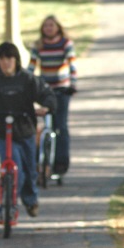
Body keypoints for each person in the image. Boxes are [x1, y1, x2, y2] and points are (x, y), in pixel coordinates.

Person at [0, 42, 56, 217]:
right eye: (1, 59)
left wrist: (45, 107)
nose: (5, 62)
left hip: (26, 130)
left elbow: (48, 95)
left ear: (16, 60)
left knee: (30, 170)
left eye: (9, 58)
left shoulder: (28, 79)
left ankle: (31, 200)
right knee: (13, 171)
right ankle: (7, 206)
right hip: (3, 132)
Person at [27, 15, 77, 177]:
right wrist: (26, 84)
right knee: (40, 126)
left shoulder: (65, 44)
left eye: (51, 25)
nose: (48, 28)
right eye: (46, 25)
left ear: (58, 27)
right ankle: (39, 159)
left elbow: (72, 65)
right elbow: (31, 67)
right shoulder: (38, 45)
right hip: (45, 90)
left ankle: (61, 162)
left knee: (60, 125)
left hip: (62, 89)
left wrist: (73, 84)